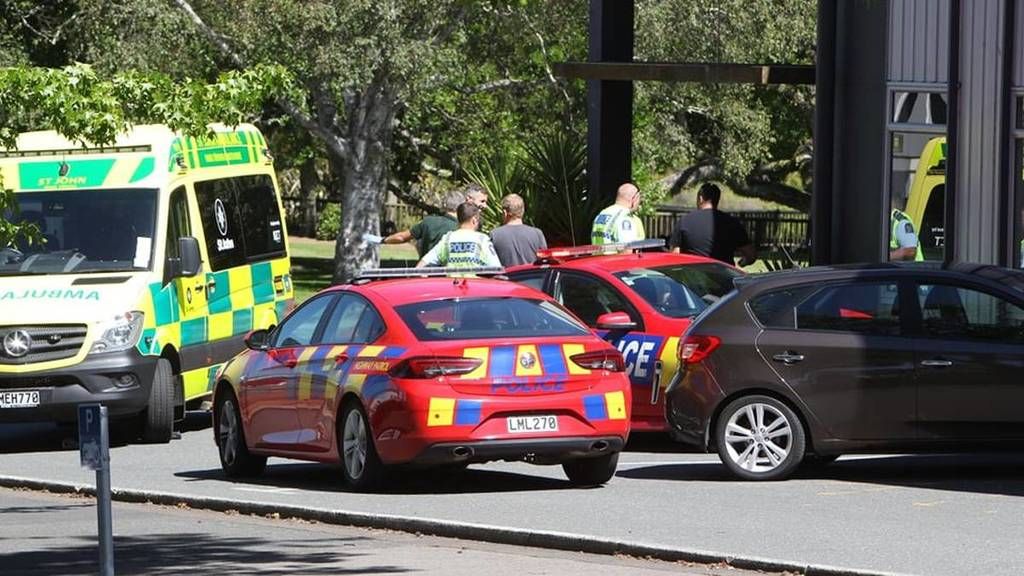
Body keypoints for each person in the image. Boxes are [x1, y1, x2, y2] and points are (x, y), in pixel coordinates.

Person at [669, 183, 756, 266]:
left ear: (700, 198)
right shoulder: (732, 222)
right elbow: (751, 255)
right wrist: (742, 263)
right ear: (717, 200)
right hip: (723, 277)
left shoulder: (684, 221)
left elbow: (675, 256)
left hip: (693, 277)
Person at [417, 202, 501, 268]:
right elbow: (496, 267)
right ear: (474, 220)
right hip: (475, 287)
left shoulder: (448, 239)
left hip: (452, 287)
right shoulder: (482, 240)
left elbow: (423, 264)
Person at [382, 189, 463, 257]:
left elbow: (401, 237)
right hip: (451, 273)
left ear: (444, 204)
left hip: (426, 271)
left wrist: (384, 240)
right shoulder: (464, 227)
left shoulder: (428, 222)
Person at [489, 193, 547, 266]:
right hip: (533, 276)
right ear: (523, 211)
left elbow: (490, 263)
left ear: (505, 212)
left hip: (507, 276)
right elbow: (545, 261)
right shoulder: (537, 233)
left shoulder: (495, 234)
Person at [889, 197, 923, 261]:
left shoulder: (901, 223)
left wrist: (885, 257)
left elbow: (910, 252)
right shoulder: (883, 223)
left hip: (914, 269)